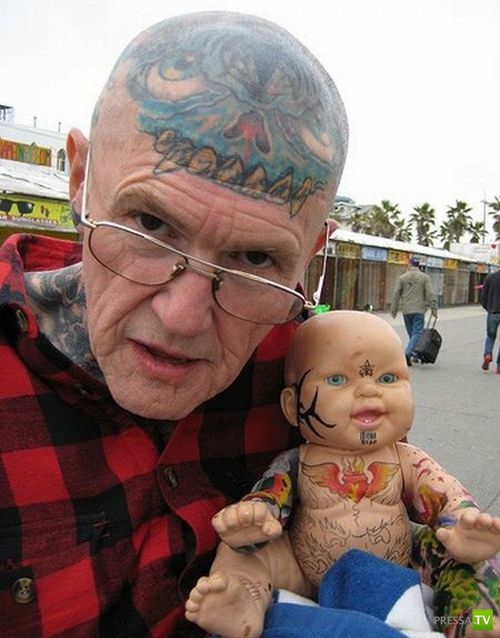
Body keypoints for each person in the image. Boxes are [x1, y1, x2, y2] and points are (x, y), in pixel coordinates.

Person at [0, 11, 349, 638]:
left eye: (255, 258)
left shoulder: (315, 379)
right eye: (150, 224)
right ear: (79, 180)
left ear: (310, 256)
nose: (183, 318)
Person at [186, 311, 500, 638]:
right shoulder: (297, 461)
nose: (369, 391)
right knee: (240, 554)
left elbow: (445, 492)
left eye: (387, 378)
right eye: (337, 380)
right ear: (293, 406)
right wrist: (255, 519)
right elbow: (271, 496)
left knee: (471, 560)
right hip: (301, 569)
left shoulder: (405, 458)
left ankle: (474, 624)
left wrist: (460, 522)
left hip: (401, 561)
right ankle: (244, 603)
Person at [390, 256, 438, 366]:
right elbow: (430, 293)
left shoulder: (402, 278)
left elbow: (396, 294)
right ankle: (408, 353)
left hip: (406, 311)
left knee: (413, 334)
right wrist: (434, 308)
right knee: (417, 334)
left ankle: (413, 354)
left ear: (410, 264)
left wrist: (394, 309)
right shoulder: (425, 278)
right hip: (419, 310)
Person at [479, 269, 500, 373]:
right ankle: (499, 366)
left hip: (493, 311)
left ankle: (488, 354)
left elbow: (483, 296)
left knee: (490, 336)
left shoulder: (490, 277)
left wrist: (488, 308)